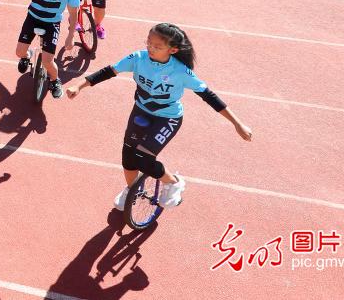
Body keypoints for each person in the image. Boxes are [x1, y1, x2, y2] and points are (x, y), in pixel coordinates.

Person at [64, 23, 253, 210]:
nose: (151, 48)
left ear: (173, 50)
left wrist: (237, 123)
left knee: (144, 159)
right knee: (128, 156)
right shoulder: (138, 58)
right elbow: (109, 71)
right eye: (149, 43)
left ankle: (173, 183)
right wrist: (79, 86)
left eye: (157, 46)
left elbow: (209, 96)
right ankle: (132, 191)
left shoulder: (180, 72)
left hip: (167, 118)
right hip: (140, 110)